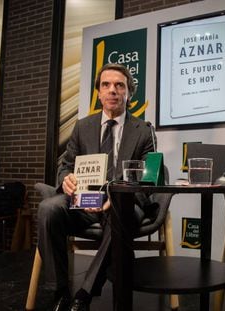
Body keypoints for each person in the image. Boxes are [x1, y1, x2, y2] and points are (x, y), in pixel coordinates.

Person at [37, 63, 154, 311]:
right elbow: (66, 165)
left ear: (129, 93)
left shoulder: (144, 131)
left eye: (119, 85)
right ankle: (59, 292)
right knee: (49, 208)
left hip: (122, 204)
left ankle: (85, 293)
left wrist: (118, 196)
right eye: (106, 85)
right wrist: (66, 179)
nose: (112, 90)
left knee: (121, 212)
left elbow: (149, 178)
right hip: (83, 201)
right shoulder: (83, 126)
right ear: (98, 93)